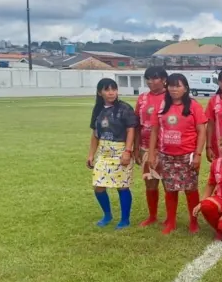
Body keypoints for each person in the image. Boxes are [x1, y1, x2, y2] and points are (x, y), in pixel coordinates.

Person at [147, 74, 207, 235]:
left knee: (191, 189)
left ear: (185, 88)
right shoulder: (162, 106)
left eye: (178, 86)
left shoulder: (194, 106)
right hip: (166, 155)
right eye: (171, 86)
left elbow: (202, 131)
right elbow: (154, 131)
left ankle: (193, 222)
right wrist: (152, 154)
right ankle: (171, 222)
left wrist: (198, 154)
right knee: (170, 190)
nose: (174, 89)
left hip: (187, 155)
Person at [87, 78, 139, 229]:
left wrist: (127, 151)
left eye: (114, 89)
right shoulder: (97, 110)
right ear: (99, 92)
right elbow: (95, 134)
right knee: (98, 186)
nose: (111, 93)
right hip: (104, 152)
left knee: (122, 186)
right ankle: (107, 215)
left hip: (120, 150)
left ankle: (125, 219)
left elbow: (131, 130)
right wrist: (91, 154)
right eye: (107, 90)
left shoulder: (124, 108)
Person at [134, 66, 167, 227]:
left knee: (169, 184)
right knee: (150, 182)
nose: (150, 81)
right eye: (148, 78)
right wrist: (136, 147)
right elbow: (137, 125)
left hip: (167, 148)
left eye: (154, 78)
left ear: (163, 80)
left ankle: (170, 217)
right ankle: (152, 216)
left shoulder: (171, 97)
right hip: (147, 147)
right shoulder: (142, 98)